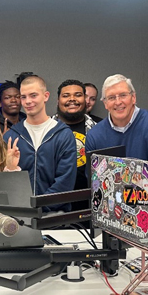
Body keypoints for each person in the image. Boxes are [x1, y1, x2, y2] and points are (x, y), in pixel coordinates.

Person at [85, 74, 148, 219]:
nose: (118, 102)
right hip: (111, 220)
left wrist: (144, 221)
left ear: (134, 98)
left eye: (123, 95)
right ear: (105, 103)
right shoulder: (95, 135)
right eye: (111, 98)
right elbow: (95, 184)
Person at [2, 75, 77, 212]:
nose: (28, 101)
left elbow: (65, 182)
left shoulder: (63, 135)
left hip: (56, 218)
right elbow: (4, 185)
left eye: (33, 95)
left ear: (46, 96)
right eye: (23, 97)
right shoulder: (10, 137)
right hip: (21, 218)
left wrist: (38, 208)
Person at [53, 80, 97, 214]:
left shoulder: (99, 129)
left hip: (90, 205)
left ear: (85, 99)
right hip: (53, 204)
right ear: (57, 100)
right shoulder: (46, 130)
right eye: (66, 95)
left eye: (77, 95)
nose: (72, 99)